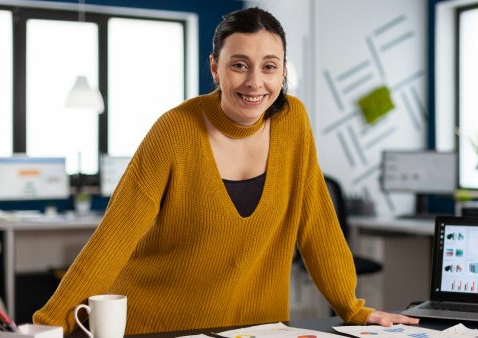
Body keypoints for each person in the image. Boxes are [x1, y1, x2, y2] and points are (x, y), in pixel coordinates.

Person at [33, 7, 418, 334]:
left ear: (283, 72)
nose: (255, 82)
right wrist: (48, 323)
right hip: (160, 327)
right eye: (239, 65)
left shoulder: (293, 122)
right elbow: (113, 238)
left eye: (269, 66)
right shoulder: (175, 129)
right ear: (215, 68)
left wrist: (351, 308)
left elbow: (317, 224)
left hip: (256, 330)